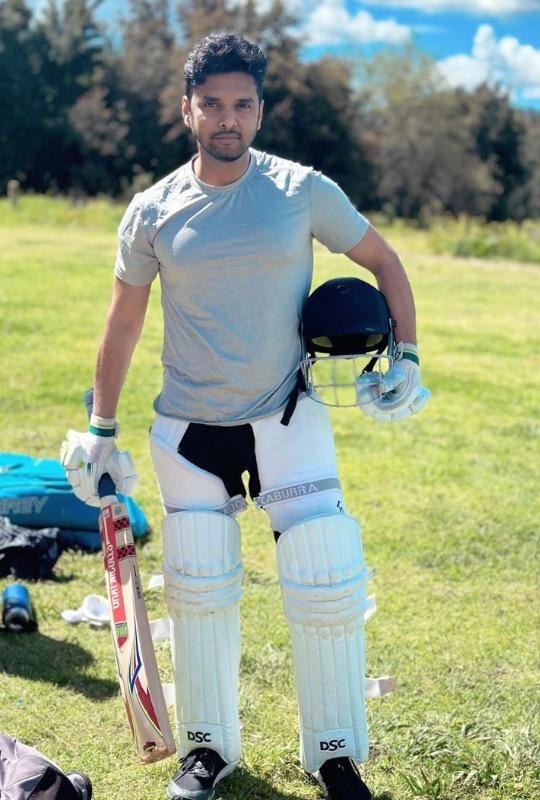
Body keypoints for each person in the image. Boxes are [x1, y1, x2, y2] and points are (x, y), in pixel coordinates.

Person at [60, 32, 428, 800]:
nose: (227, 118)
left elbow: (384, 261)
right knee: (196, 585)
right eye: (212, 104)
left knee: (324, 573)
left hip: (287, 415)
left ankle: (334, 754)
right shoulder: (152, 210)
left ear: (260, 111)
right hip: (190, 428)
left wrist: (409, 357)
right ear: (186, 109)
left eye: (242, 104)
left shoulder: (301, 190)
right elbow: (123, 322)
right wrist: (100, 429)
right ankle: (207, 751)